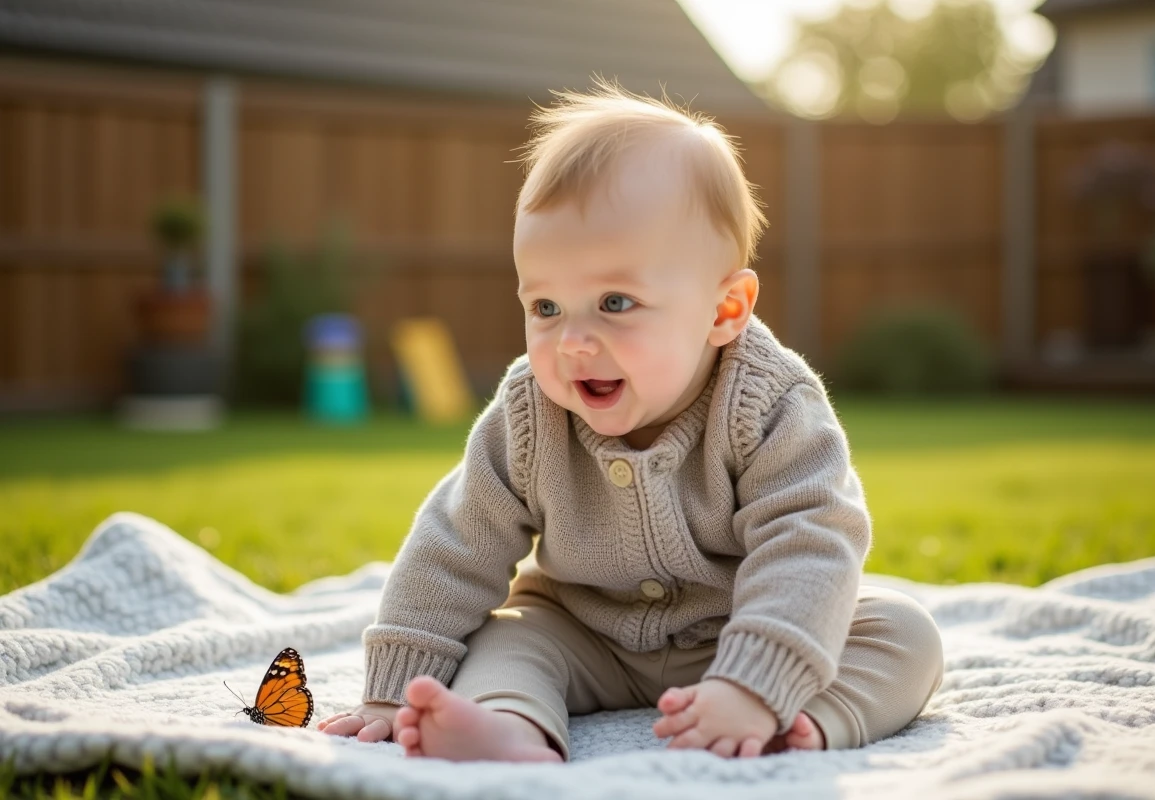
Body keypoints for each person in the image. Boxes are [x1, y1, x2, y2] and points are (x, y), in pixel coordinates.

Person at [318, 81, 943, 762]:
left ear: (725, 310)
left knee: (903, 635)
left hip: (740, 628)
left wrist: (757, 680)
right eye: (547, 307)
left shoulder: (770, 405)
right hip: (588, 636)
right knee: (508, 638)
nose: (573, 341)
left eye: (615, 302)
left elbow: (811, 540)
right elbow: (456, 542)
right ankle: (509, 727)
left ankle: (799, 723)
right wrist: (394, 685)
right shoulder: (531, 411)